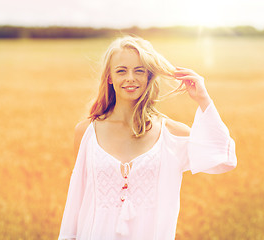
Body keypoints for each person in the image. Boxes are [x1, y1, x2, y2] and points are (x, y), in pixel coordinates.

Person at [58, 35, 237, 240]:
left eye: (139, 70)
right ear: (109, 77)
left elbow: (223, 159)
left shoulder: (172, 134)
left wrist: (203, 98)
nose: (130, 78)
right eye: (121, 71)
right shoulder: (86, 133)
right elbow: (77, 199)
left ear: (149, 76)